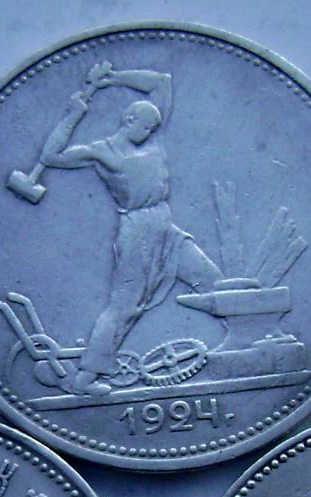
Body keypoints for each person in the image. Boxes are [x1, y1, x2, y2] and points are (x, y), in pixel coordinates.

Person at [39, 63, 223, 395]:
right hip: (138, 232)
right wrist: (72, 116)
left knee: (213, 281)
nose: (151, 131)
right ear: (129, 120)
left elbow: (162, 81)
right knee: (125, 306)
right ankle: (84, 379)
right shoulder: (102, 151)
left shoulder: (154, 139)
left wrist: (112, 79)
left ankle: (237, 351)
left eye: (154, 126)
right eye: (146, 126)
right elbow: (51, 156)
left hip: (166, 227)